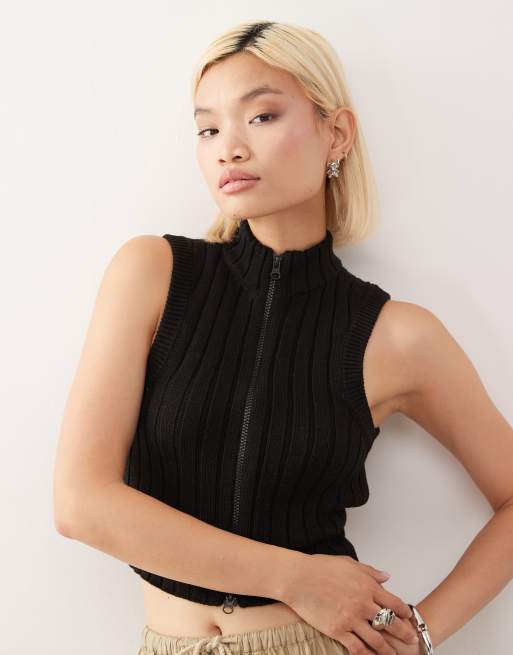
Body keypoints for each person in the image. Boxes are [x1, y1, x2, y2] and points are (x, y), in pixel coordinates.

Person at [53, 19, 513, 655]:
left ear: (336, 133)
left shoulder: (398, 336)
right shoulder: (151, 273)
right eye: (209, 129)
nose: (229, 148)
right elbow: (81, 503)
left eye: (261, 117)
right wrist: (295, 577)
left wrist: (422, 633)